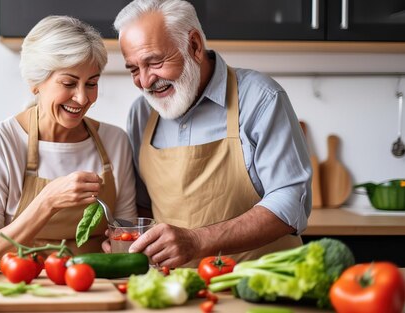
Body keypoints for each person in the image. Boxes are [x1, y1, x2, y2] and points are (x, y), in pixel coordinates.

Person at [106, 0, 312, 268]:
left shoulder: (260, 97)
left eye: (154, 62)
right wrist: (129, 240)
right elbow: (145, 207)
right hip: (179, 290)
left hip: (260, 284)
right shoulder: (141, 114)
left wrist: (197, 241)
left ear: (194, 45)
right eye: (134, 69)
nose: (145, 82)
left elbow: (291, 201)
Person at [0, 16, 137, 256]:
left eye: (91, 83)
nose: (83, 98)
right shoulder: (0, 142)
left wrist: (119, 247)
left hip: (95, 288)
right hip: (19, 288)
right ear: (35, 82)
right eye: (69, 83)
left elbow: (126, 234)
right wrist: (48, 202)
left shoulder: (115, 141)